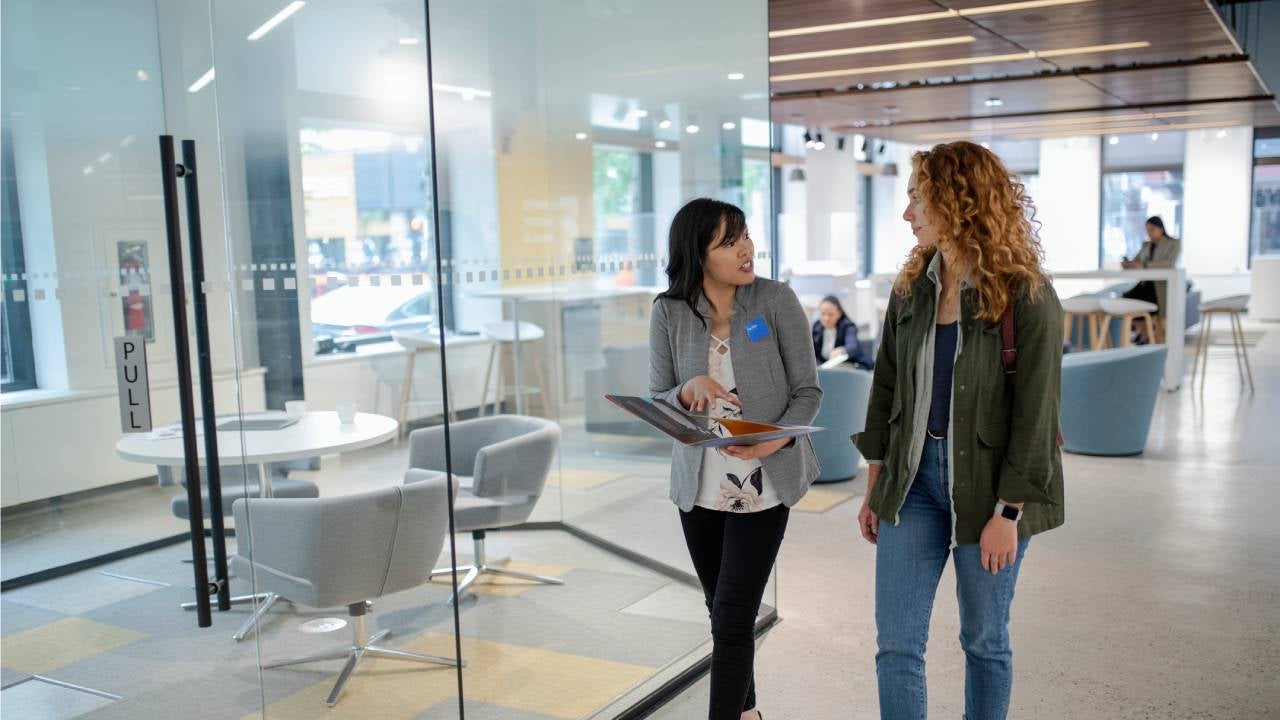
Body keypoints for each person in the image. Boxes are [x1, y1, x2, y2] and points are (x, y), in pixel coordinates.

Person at [853, 141, 1065, 720]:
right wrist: (876, 481)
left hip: (992, 493)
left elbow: (1036, 417)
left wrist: (1009, 514)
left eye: (917, 198)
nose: (907, 214)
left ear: (957, 200)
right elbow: (887, 393)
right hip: (914, 484)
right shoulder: (912, 287)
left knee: (984, 642)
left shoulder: (1028, 295)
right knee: (896, 645)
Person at [649, 197, 821, 720]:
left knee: (731, 613)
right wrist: (686, 390)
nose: (747, 248)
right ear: (698, 254)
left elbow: (808, 392)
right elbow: (657, 396)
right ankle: (748, 712)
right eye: (729, 241)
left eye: (744, 234)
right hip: (699, 485)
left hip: (763, 480)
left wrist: (774, 440)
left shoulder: (775, 300)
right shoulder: (669, 311)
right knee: (721, 611)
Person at [1121, 216, 1181, 343]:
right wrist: (1129, 264)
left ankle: (1147, 334)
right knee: (1126, 299)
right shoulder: (1146, 245)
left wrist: (1145, 266)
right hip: (1146, 283)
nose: (1149, 233)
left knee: (1142, 302)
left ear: (1161, 229)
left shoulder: (1173, 244)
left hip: (1161, 286)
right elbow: (1137, 261)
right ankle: (1145, 332)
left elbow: (1169, 264)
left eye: (1152, 229)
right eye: (1147, 230)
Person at [811, 295, 875, 369]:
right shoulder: (816, 327)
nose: (826, 318)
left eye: (830, 314)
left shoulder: (848, 326)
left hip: (850, 366)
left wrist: (842, 350)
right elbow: (813, 352)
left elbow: (852, 346)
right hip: (826, 371)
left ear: (839, 313)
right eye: (823, 314)